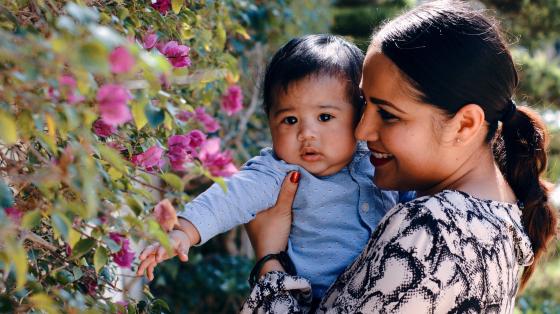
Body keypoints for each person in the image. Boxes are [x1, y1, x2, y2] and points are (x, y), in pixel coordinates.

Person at [241, 1, 558, 313]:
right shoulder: (502, 217)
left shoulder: (428, 231)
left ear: (465, 124)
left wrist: (270, 259)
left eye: (388, 115)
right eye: (364, 105)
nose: (362, 131)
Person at [136, 34, 414, 299]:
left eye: (325, 117)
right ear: (271, 122)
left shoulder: (375, 158)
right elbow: (229, 197)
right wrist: (184, 231)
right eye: (290, 120)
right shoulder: (277, 172)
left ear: (359, 116)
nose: (307, 133)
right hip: (313, 299)